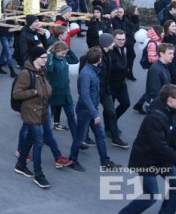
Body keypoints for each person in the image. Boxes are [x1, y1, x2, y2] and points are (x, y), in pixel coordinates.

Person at [118, 84, 176, 214]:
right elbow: (161, 147)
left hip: (160, 159)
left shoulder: (169, 111)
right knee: (151, 196)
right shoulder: (155, 118)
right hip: (146, 161)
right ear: (170, 99)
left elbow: (168, 133)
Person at [13, 46, 72, 189]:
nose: (46, 60)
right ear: (35, 58)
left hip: (43, 110)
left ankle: (20, 165)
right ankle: (39, 175)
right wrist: (33, 91)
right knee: (38, 142)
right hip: (32, 112)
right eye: (43, 57)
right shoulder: (26, 74)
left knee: (31, 139)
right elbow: (17, 94)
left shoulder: (42, 70)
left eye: (46, 57)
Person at [68, 47, 121, 172]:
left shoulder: (92, 70)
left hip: (91, 110)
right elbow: (85, 96)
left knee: (100, 136)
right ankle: (72, 160)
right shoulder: (87, 73)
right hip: (86, 111)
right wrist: (95, 114)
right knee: (80, 137)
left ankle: (105, 161)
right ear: (99, 59)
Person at [46, 41, 79, 133]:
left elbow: (75, 60)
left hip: (65, 94)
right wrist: (49, 56)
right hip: (54, 94)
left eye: (65, 53)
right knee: (48, 118)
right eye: (62, 53)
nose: (64, 55)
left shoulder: (64, 59)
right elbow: (49, 69)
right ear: (56, 51)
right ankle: (46, 136)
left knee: (71, 117)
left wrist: (68, 50)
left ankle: (78, 140)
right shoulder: (51, 59)